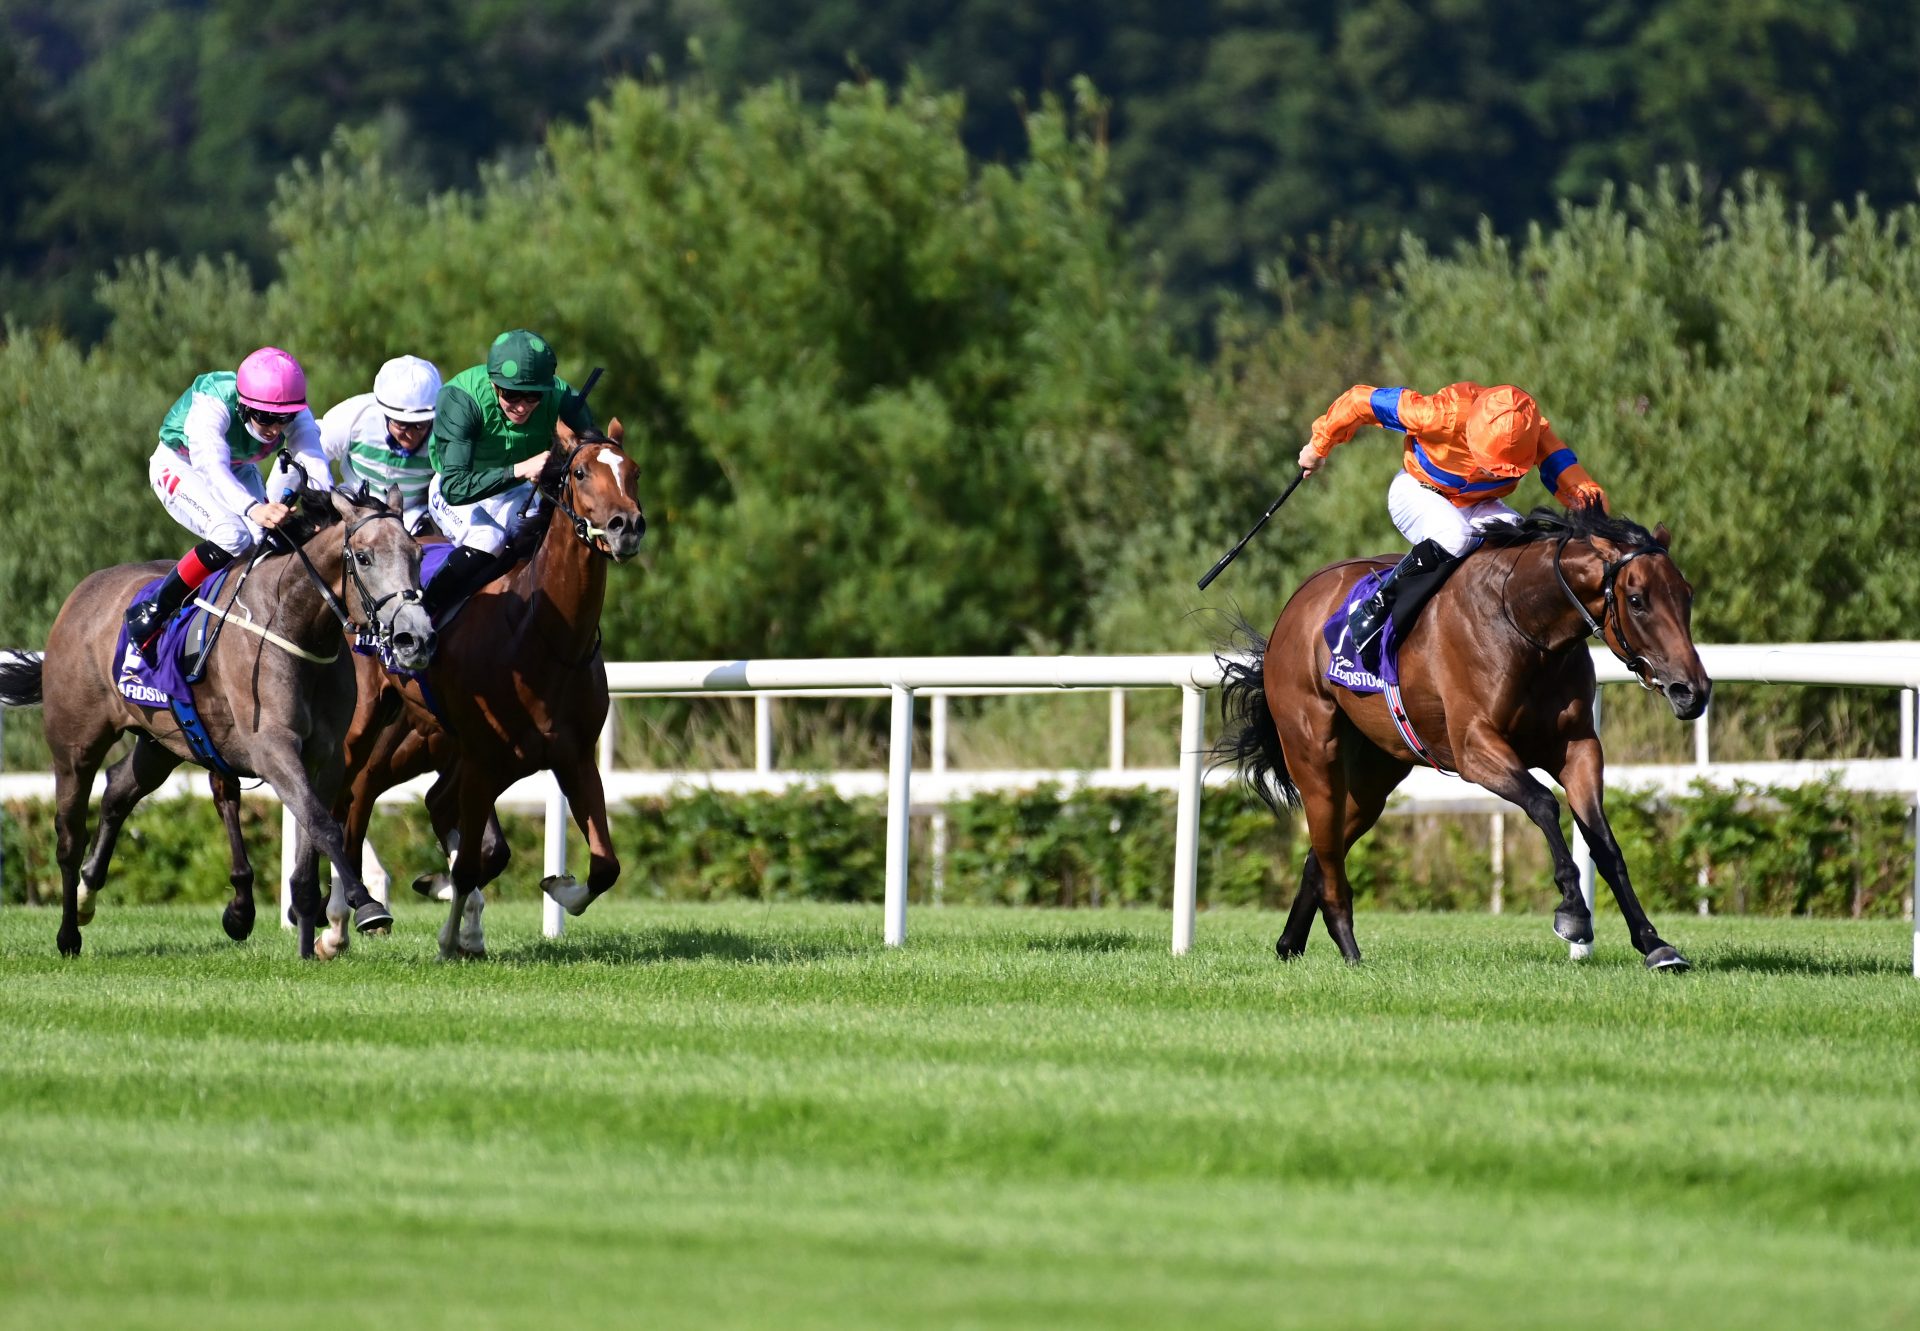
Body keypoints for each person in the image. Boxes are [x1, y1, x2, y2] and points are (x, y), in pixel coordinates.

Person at [1296, 381, 1608, 648]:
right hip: (1417, 490)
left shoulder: (1535, 433)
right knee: (1454, 536)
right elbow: (1360, 401)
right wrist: (1318, 446)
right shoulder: (1439, 413)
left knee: (1519, 542)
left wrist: (1604, 533)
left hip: (1476, 504)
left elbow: (1579, 486)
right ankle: (1377, 606)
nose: (1489, 469)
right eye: (1487, 460)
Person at [125, 347, 333, 662]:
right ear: (245, 405)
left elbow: (313, 459)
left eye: (284, 419)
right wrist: (255, 509)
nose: (275, 428)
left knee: (268, 542)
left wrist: (326, 510)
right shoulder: (214, 403)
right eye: (266, 418)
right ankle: (152, 612)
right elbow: (212, 468)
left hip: (236, 468)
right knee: (231, 535)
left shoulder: (294, 411)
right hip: (181, 465)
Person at [422, 328, 596, 617]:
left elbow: (591, 456)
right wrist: (520, 469)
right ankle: (421, 617)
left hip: (514, 494)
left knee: (548, 543)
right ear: (493, 384)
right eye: (512, 394)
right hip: (456, 491)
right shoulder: (461, 399)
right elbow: (455, 487)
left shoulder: (563, 398)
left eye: (533, 397)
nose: (521, 406)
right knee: (488, 540)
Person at [316, 354, 443, 534]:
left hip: (415, 519)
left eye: (421, 424)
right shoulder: (352, 416)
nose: (411, 435)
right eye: (402, 423)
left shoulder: (446, 432)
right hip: (352, 510)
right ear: (384, 411)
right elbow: (307, 455)